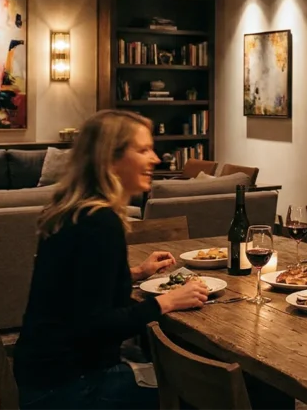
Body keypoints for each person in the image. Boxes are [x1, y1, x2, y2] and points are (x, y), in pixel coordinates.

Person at [13, 110, 209, 410]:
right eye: (143, 150)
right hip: (71, 385)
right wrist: (167, 302)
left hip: (40, 373)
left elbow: (77, 289)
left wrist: (134, 272)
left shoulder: (73, 209)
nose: (155, 159)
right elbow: (97, 324)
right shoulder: (100, 221)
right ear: (110, 160)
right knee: (207, 395)